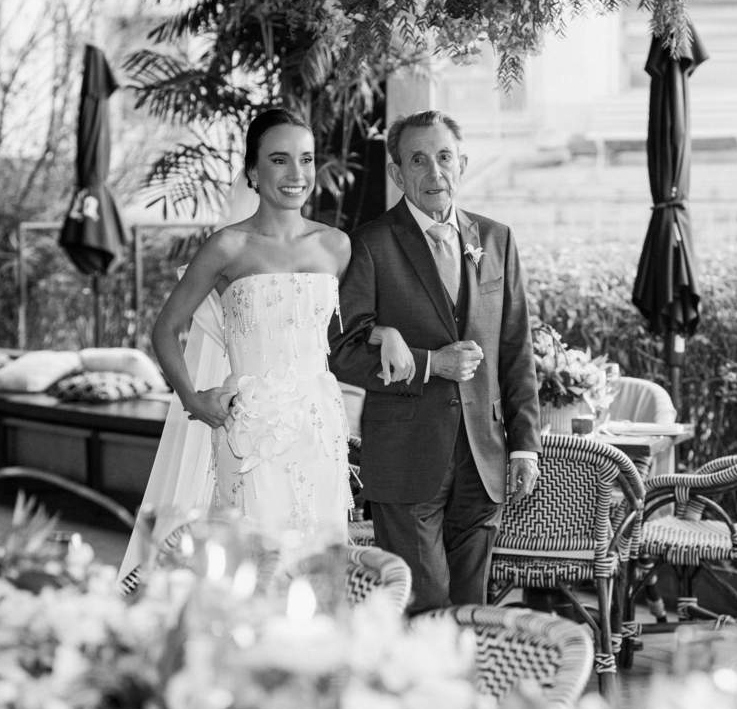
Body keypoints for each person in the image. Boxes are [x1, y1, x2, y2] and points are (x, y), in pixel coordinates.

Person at [117, 109, 414, 589]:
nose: (297, 174)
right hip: (249, 429)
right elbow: (165, 329)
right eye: (279, 160)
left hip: (318, 427)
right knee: (253, 563)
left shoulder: (337, 246)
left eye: (306, 159)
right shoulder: (227, 247)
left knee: (316, 562)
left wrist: (388, 334)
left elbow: (346, 330)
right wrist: (194, 400)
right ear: (253, 172)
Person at [329, 109, 542, 613]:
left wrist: (524, 446)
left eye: (444, 157)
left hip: (484, 456)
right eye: (418, 160)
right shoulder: (370, 244)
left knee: (470, 609)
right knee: (425, 603)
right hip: (406, 458)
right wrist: (430, 364)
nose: (435, 172)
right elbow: (342, 352)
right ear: (397, 172)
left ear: (462, 164)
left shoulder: (496, 239)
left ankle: (466, 669)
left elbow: (516, 348)